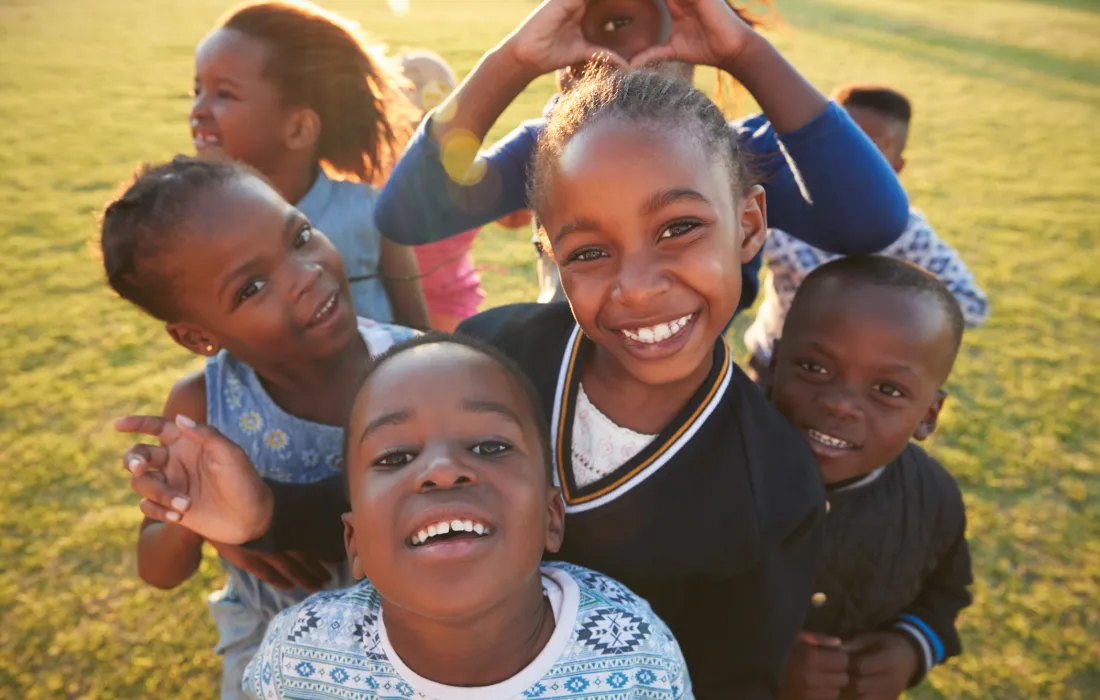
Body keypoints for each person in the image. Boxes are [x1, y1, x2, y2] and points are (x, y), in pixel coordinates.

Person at [116, 70, 825, 699]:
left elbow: (735, 673)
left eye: (679, 227)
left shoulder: (776, 484)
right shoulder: (494, 351)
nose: (637, 288)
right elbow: (384, 494)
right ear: (550, 254)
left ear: (749, 224)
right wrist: (262, 512)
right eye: (590, 251)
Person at [101, 157, 417, 699]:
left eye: (300, 237)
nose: (305, 275)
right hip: (272, 655)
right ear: (198, 337)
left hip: (413, 643)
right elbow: (159, 570)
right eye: (251, 287)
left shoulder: (417, 366)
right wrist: (189, 515)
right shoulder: (204, 407)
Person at [232, 333, 693, 698]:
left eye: (490, 447)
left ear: (552, 517)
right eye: (394, 457)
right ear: (354, 544)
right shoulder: (298, 657)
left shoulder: (635, 660)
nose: (443, 470)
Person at [373, 0, 910, 311]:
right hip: (560, 398)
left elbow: (871, 223)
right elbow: (407, 215)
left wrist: (744, 51)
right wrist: (513, 59)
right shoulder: (552, 151)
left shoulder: (737, 154)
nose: (619, 39)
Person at [768, 256, 973, 700]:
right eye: (814, 367)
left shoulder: (933, 500)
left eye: (888, 390)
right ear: (775, 360)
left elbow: (946, 592)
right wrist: (762, 663)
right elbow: (657, 600)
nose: (841, 404)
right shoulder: (713, 475)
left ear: (929, 415)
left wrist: (910, 648)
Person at [191, 0, 428, 327]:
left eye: (225, 94)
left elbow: (421, 333)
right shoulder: (202, 226)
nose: (197, 110)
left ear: (299, 128)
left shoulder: (370, 213)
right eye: (198, 90)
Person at [744, 84, 990, 390]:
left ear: (895, 169)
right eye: (841, 145)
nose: (849, 162)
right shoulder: (778, 208)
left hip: (860, 384)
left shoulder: (909, 235)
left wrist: (884, 315)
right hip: (773, 363)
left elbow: (972, 304)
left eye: (869, 150)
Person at [396, 49, 486, 331]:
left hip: (446, 302)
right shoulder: (379, 162)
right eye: (412, 82)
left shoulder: (465, 160)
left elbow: (513, 216)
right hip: (403, 298)